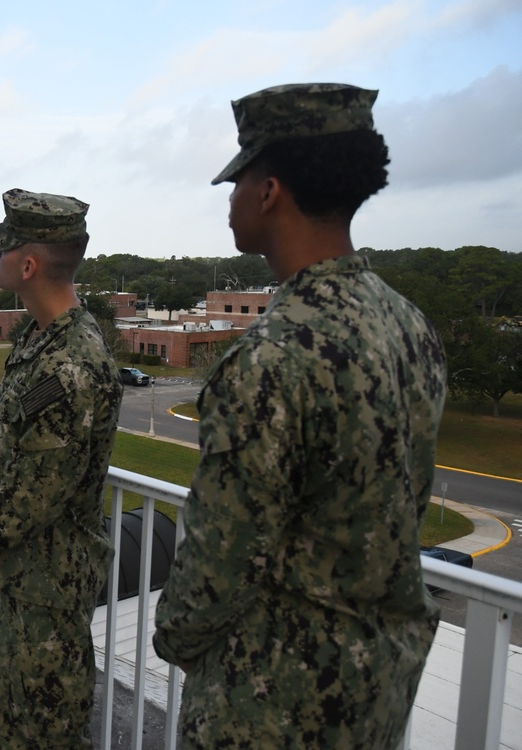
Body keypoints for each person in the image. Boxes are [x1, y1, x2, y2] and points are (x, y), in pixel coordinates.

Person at [153, 83, 447, 748]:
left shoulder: (271, 356)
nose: (229, 199)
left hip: (274, 700)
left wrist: (175, 634)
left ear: (270, 191)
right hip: (375, 687)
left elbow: (221, 555)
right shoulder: (409, 324)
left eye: (238, 180)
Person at [0, 189, 123, 749]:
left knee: (43, 729)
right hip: (27, 574)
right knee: (14, 713)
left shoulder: (70, 361)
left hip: (50, 582)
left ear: (27, 265)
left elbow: (37, 488)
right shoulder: (40, 337)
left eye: (3, 250)